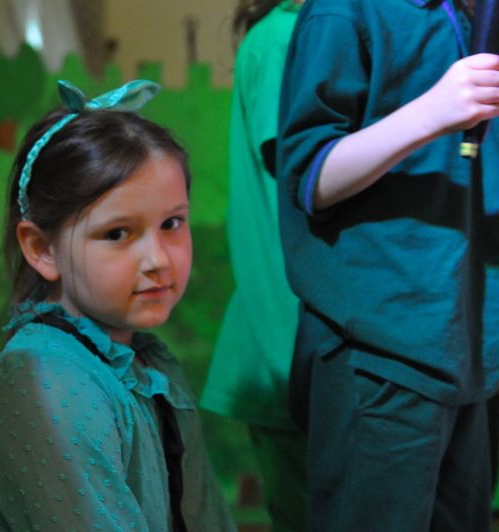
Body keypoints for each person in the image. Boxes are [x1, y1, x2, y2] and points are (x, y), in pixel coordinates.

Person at [0, 80, 236, 531]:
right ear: (42, 248)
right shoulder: (46, 383)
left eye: (172, 223)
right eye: (117, 233)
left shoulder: (145, 361)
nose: (158, 259)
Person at [277, 0, 499, 529]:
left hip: (474, 345)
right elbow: (310, 178)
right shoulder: (344, 12)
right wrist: (430, 112)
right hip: (382, 347)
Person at [200, 2, 306, 531]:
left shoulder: (283, 35)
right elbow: (304, 173)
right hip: (288, 332)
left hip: (291, 331)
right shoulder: (284, 38)